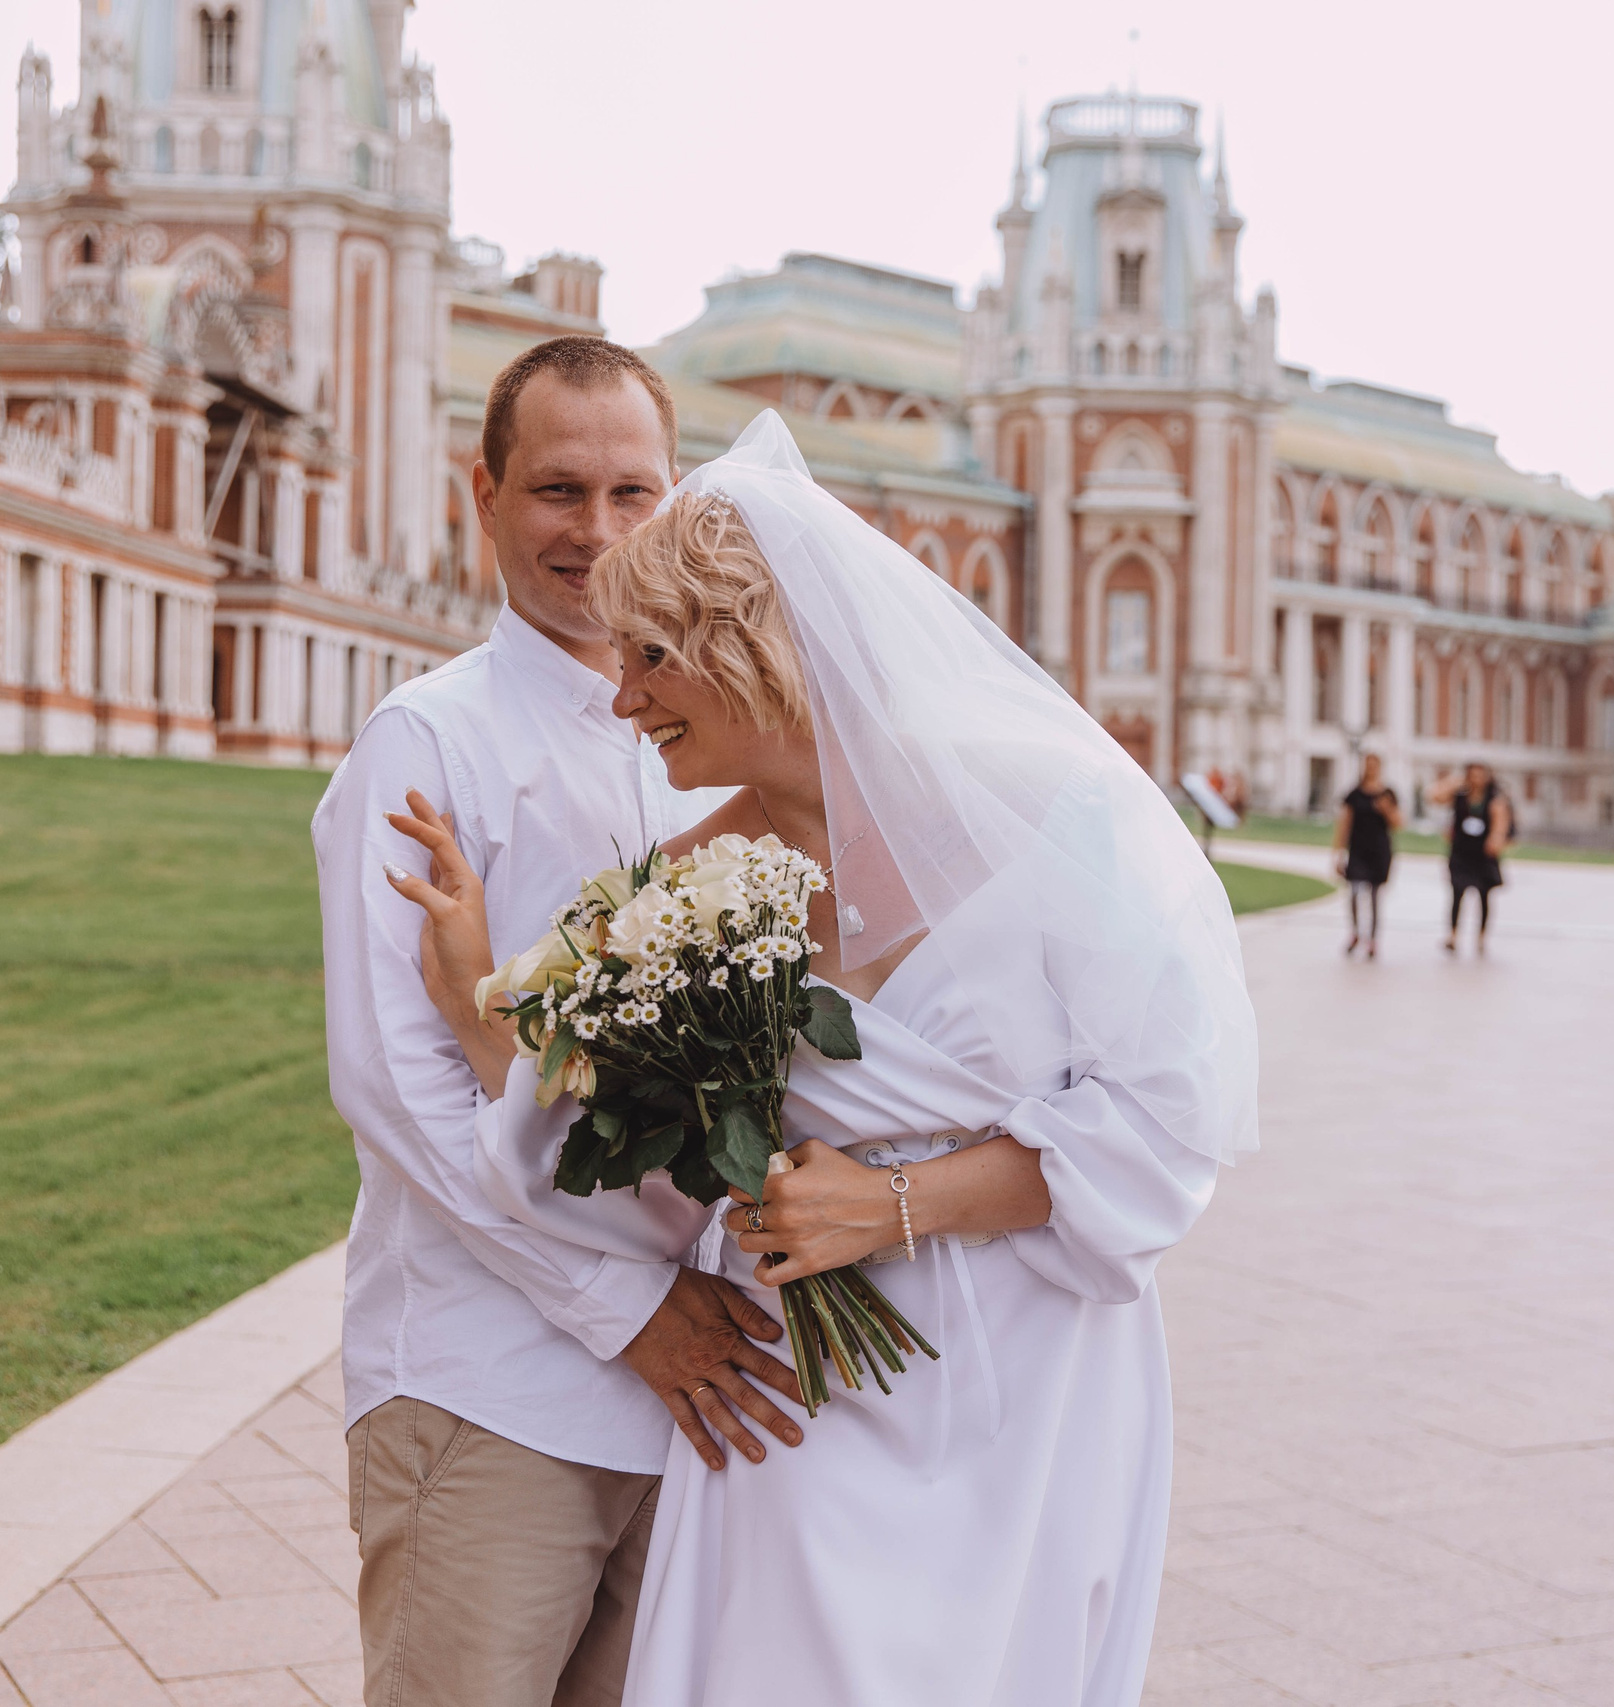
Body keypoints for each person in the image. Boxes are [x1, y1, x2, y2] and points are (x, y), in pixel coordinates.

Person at [383, 413, 1257, 1706]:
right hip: (801, 1399)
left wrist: (894, 1201)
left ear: (755, 646)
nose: (623, 699)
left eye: (654, 655)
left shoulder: (1051, 816)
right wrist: (480, 1002)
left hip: (1037, 1390)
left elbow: (1169, 1123)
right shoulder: (673, 896)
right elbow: (570, 1159)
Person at [311, 339, 810, 1707]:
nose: (596, 532)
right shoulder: (428, 744)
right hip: (494, 1386)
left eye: (634, 492)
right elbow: (395, 1088)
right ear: (484, 495)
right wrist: (628, 1303)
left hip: (700, 1392)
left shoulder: (711, 742)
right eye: (557, 489)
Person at [1427, 761, 1509, 953]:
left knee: (1483, 896)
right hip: (1461, 852)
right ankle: (1453, 935)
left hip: (1482, 854)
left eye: (1480, 775)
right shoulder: (1460, 794)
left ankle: (1481, 937)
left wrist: (1496, 839)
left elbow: (1500, 822)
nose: (1476, 779)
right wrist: (1454, 781)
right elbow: (1433, 796)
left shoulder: (1494, 799)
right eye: (1472, 775)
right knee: (1456, 893)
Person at [1331, 751, 1402, 958]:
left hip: (1379, 851)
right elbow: (1344, 824)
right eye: (1367, 764)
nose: (1371, 768)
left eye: (1374, 764)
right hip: (1358, 850)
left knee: (1374, 897)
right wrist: (1337, 853)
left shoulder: (1388, 794)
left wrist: (1386, 809)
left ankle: (1372, 939)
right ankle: (1355, 932)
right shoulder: (1354, 794)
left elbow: (1398, 823)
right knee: (1353, 892)